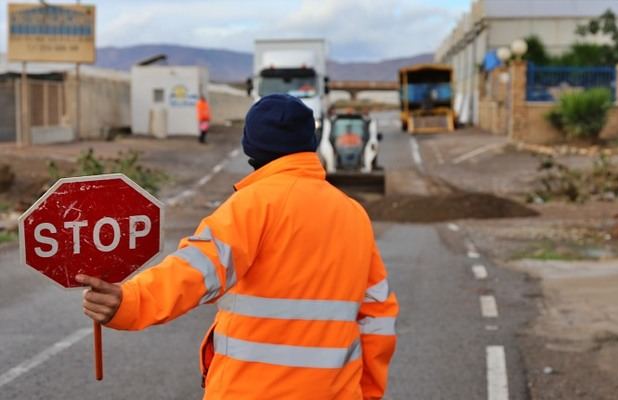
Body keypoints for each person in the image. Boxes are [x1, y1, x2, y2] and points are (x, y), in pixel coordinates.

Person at [76, 94, 399, 400]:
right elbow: (377, 314)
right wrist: (366, 393)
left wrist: (129, 301)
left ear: (251, 148)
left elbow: (195, 270)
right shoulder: (354, 214)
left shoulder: (252, 205)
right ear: (310, 144)